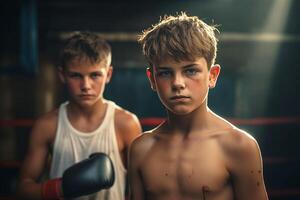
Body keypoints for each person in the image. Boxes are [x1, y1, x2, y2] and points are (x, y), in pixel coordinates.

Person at [129, 12, 269, 200]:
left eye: (190, 70)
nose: (178, 83)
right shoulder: (141, 149)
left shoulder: (239, 146)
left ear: (212, 75)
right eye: (165, 73)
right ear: (152, 79)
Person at [17, 31, 142, 200]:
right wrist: (59, 188)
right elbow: (24, 187)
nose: (86, 85)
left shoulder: (126, 123)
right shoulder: (47, 125)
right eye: (76, 75)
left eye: (95, 75)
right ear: (62, 75)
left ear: (108, 74)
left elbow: (140, 189)